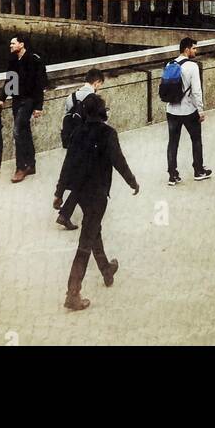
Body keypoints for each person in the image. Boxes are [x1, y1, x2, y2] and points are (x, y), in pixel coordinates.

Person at [55, 94, 138, 312]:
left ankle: (106, 269)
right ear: (102, 111)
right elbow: (118, 160)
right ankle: (72, 293)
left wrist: (59, 192)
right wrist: (132, 181)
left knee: (94, 230)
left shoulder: (77, 132)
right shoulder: (108, 133)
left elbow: (68, 164)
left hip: (81, 193)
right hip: (98, 193)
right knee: (86, 241)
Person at [55, 68, 105, 230]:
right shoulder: (95, 99)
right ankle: (65, 213)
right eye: (100, 85)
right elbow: (100, 122)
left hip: (73, 140)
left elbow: (65, 117)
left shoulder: (72, 96)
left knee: (70, 169)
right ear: (96, 82)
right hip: (88, 143)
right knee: (84, 179)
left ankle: (60, 196)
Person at [1, 32, 47, 183]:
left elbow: (40, 85)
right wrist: (2, 98)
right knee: (24, 131)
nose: (11, 45)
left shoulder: (34, 60)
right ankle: (31, 164)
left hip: (29, 101)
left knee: (18, 132)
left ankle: (20, 168)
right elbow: (10, 81)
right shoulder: (13, 59)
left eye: (13, 43)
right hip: (16, 100)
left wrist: (39, 106)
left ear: (21, 45)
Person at [165, 37, 211, 185]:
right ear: (187, 49)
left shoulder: (169, 64)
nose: (196, 51)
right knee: (196, 139)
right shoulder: (192, 66)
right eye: (194, 48)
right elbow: (196, 91)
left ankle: (172, 175)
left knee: (173, 142)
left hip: (171, 110)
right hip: (188, 110)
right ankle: (198, 171)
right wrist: (201, 110)